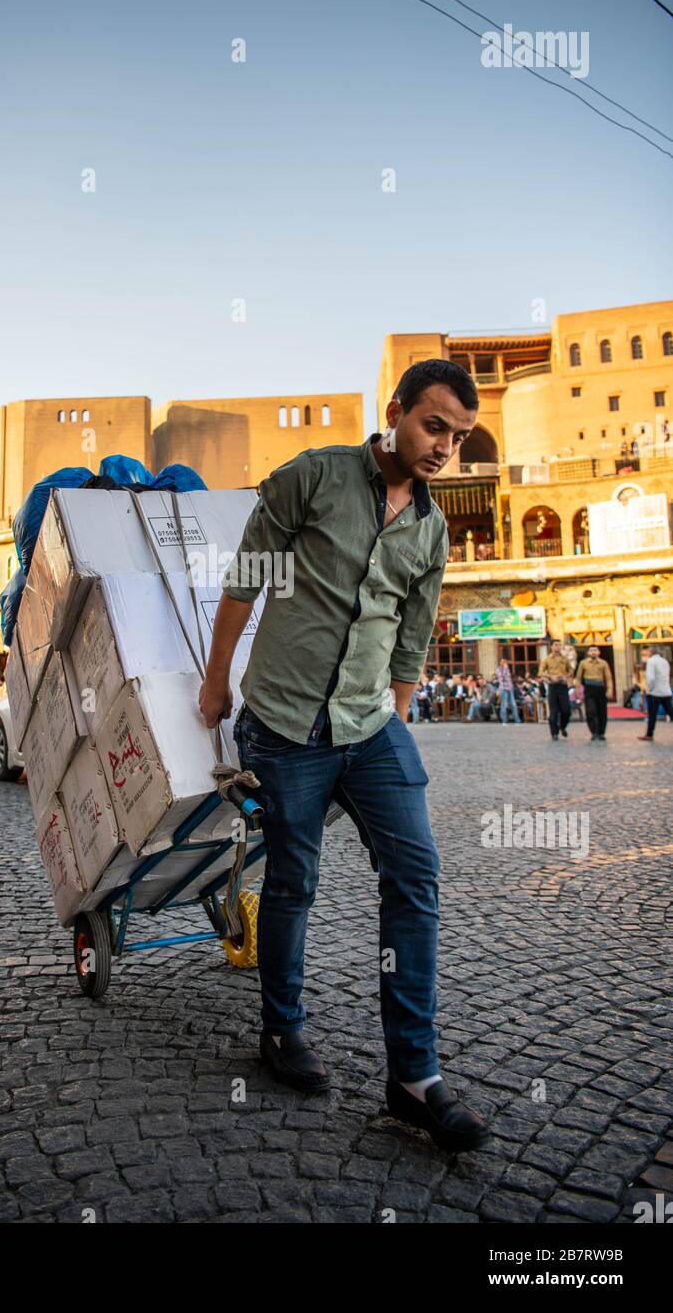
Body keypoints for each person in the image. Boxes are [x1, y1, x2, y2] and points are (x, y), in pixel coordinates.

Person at [199, 358, 488, 1152]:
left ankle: (413, 1078)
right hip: (285, 726)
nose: (443, 448)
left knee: (417, 874)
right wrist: (216, 686)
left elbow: (413, 636)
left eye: (458, 438)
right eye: (434, 427)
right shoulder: (312, 479)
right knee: (295, 879)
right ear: (395, 411)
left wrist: (392, 720)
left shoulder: (431, 529)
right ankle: (281, 1031)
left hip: (369, 728)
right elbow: (243, 584)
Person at [575, 645, 614, 742]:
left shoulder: (603, 663)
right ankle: (594, 732)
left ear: (598, 652)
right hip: (589, 687)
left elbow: (608, 678)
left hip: (600, 687)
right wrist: (577, 689)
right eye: (591, 650)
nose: (593, 652)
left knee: (602, 712)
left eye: (595, 650)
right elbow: (579, 677)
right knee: (590, 711)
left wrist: (609, 690)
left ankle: (601, 733)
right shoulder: (583, 663)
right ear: (588, 653)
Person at [538, 640, 573, 741]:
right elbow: (540, 672)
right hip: (553, 686)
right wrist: (550, 676)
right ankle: (554, 733)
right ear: (551, 647)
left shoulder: (565, 659)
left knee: (566, 710)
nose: (558, 647)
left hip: (563, 686)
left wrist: (565, 676)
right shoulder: (547, 660)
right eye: (556, 645)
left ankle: (563, 726)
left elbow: (570, 670)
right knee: (553, 712)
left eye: (559, 645)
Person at [638, 645, 673, 741]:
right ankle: (649, 734)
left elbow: (651, 678)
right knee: (671, 712)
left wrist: (650, 689)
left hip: (655, 692)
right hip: (666, 690)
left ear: (650, 652)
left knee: (652, 714)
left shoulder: (651, 661)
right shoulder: (664, 661)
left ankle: (649, 734)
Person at [495, 658, 519, 724]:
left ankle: (517, 720)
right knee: (504, 704)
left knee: (513, 704)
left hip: (510, 688)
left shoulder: (508, 669)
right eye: (502, 661)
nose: (503, 663)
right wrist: (505, 669)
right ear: (500, 663)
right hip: (503, 688)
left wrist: (511, 686)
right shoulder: (498, 669)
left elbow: (509, 679)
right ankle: (504, 721)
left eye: (505, 662)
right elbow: (501, 678)